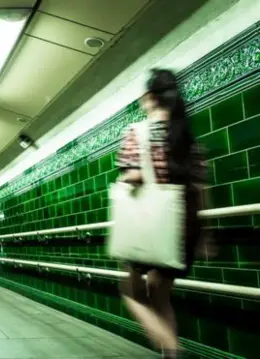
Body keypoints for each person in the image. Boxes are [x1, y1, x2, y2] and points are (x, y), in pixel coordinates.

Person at [115, 69, 208, 359]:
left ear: (150, 98)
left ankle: (173, 349)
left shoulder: (138, 132)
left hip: (151, 224)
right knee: (160, 295)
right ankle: (170, 353)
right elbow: (200, 186)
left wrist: (122, 183)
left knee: (131, 292)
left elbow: (134, 176)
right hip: (184, 226)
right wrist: (206, 234)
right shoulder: (188, 137)